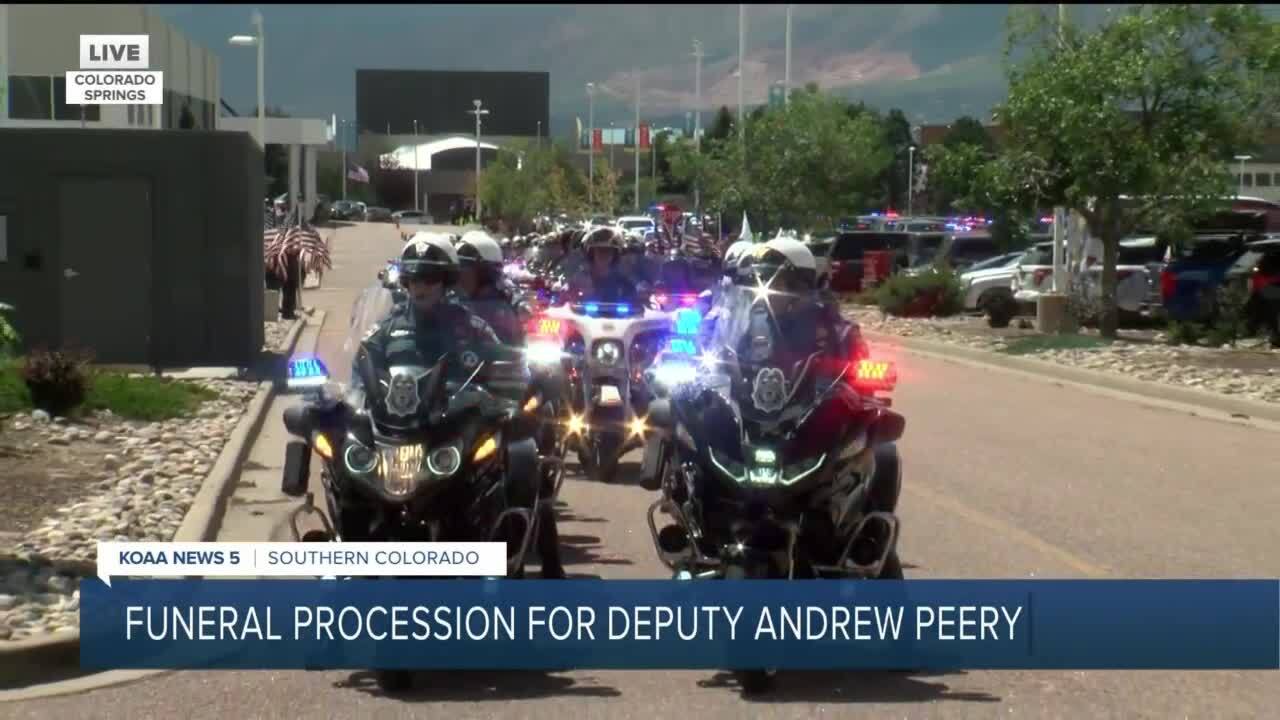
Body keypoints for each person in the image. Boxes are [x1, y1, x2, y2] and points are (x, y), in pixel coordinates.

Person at [453, 230, 531, 346]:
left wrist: (521, 307)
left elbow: (519, 301)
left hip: (505, 358)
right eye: (458, 269)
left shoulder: (507, 295)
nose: (460, 276)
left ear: (487, 273)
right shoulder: (452, 298)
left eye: (466, 269)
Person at [565, 227, 640, 305]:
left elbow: (637, 300)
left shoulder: (625, 279)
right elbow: (566, 299)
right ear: (590, 253)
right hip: (582, 316)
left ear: (615, 254)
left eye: (608, 250)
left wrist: (643, 293)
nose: (604, 254)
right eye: (599, 250)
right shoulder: (579, 278)